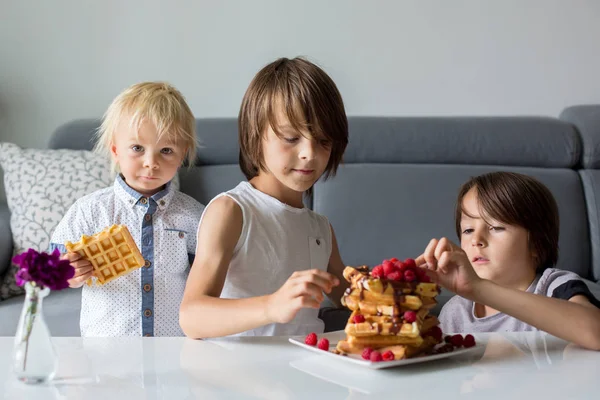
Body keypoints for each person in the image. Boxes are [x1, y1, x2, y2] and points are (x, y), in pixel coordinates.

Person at [180, 57, 350, 338]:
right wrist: (271, 306)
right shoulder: (232, 212)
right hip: (238, 374)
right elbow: (191, 317)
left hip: (306, 373)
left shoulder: (321, 228)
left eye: (323, 141)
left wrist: (404, 283)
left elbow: (353, 298)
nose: (310, 153)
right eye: (291, 137)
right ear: (255, 135)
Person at [50, 82, 204, 337]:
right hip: (107, 352)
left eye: (166, 150)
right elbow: (51, 268)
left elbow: (216, 273)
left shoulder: (194, 215)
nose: (151, 163)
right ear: (115, 150)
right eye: (137, 148)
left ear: (182, 155)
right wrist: (68, 273)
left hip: (173, 347)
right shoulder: (89, 211)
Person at [416, 171, 600, 350]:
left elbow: (595, 332)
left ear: (536, 243)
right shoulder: (455, 311)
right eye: (468, 230)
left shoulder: (553, 286)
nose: (476, 240)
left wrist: (478, 288)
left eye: (496, 227)